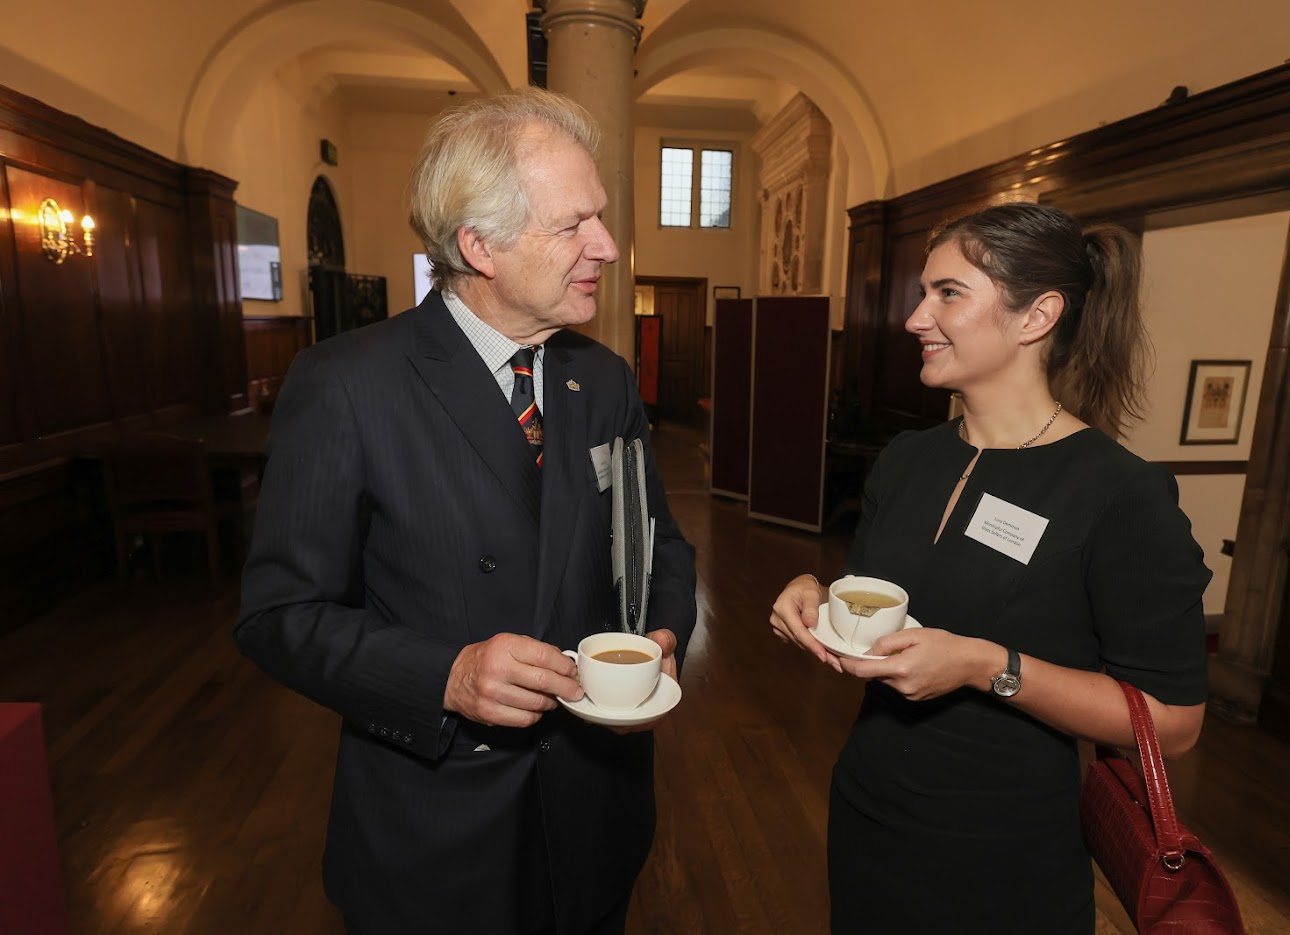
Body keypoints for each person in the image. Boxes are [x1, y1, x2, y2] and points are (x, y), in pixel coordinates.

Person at [236, 88, 697, 935]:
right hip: (438, 826)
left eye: (600, 216)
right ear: (478, 245)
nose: (605, 246)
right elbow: (278, 616)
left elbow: (658, 540)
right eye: (573, 225)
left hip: (595, 805)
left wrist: (659, 631)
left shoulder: (601, 380)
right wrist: (442, 675)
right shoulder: (346, 384)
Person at [769, 202, 1210, 933]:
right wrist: (813, 592)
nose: (914, 317)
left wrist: (987, 666)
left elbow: (1173, 723)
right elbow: (875, 595)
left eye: (947, 293)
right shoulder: (907, 458)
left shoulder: (1118, 491)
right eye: (922, 292)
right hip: (868, 811)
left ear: (1036, 316)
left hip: (1002, 854)